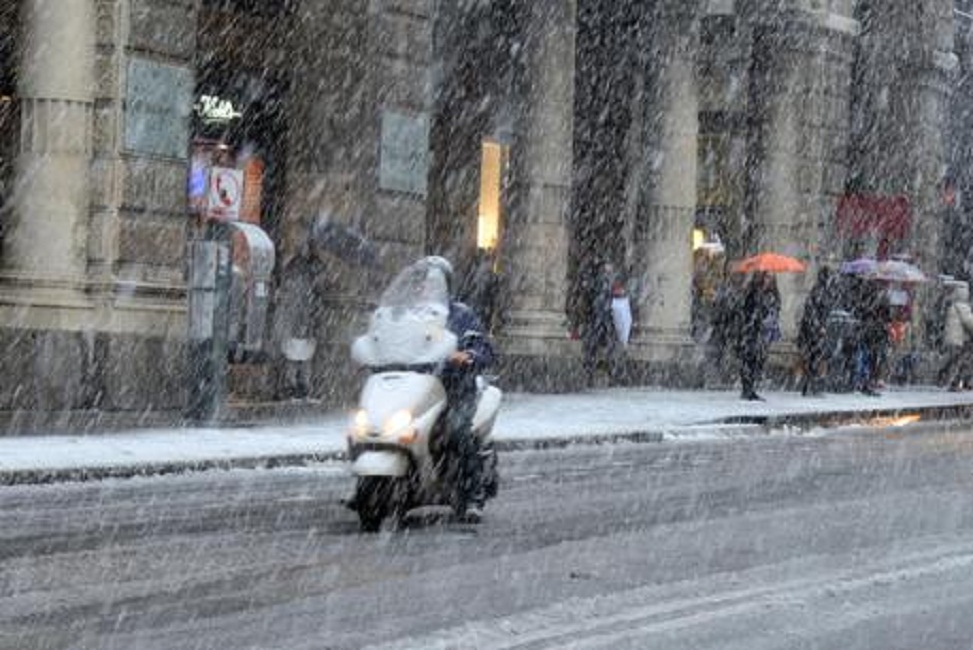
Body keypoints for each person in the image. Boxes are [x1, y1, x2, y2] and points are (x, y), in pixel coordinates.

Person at [425, 256, 496, 522]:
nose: (427, 288)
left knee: (456, 431)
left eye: (434, 283)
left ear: (446, 285)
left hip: (454, 387)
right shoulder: (410, 317)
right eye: (424, 283)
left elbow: (484, 350)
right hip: (420, 389)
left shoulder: (461, 315)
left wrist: (467, 356)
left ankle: (472, 494)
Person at [736, 271, 781, 401]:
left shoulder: (770, 295)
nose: (769, 281)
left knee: (757, 360)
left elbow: (773, 310)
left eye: (771, 278)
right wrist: (757, 318)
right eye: (767, 277)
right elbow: (748, 311)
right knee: (749, 359)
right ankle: (747, 389)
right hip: (751, 332)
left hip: (760, 333)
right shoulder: (753, 293)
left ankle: (750, 388)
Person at [797, 267, 836, 396]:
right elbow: (812, 311)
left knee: (814, 358)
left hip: (814, 331)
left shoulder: (823, 291)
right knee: (813, 358)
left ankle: (810, 386)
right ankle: (809, 386)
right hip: (812, 332)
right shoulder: (819, 291)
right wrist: (818, 326)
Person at [582, 260, 618, 386]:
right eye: (607, 267)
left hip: (604, 321)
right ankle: (592, 372)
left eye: (610, 268)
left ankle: (602, 372)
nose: (609, 270)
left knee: (604, 346)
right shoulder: (598, 281)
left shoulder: (607, 282)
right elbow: (596, 300)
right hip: (599, 320)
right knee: (595, 346)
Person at [939, 280, 973, 391]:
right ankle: (955, 383)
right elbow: (969, 322)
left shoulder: (952, 305)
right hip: (958, 339)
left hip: (952, 338)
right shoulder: (962, 306)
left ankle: (947, 378)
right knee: (960, 361)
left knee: (955, 361)